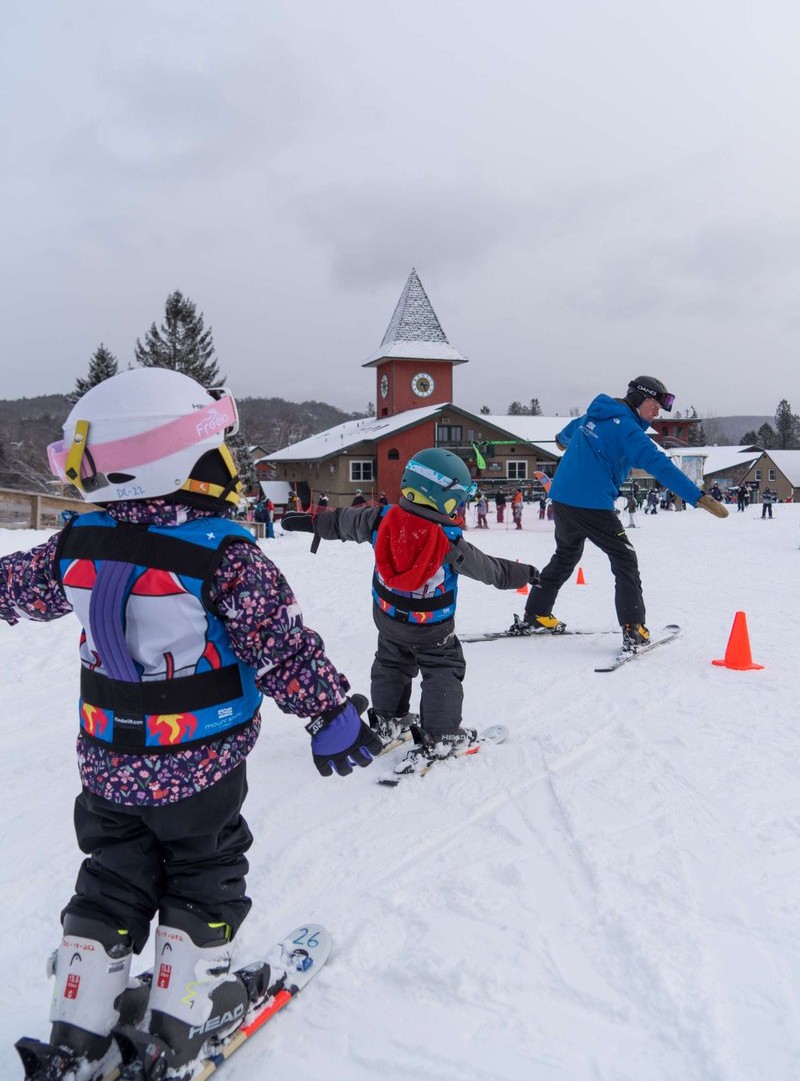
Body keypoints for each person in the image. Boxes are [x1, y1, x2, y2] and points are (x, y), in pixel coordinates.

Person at [1, 368, 381, 1077]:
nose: (226, 469)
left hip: (108, 765)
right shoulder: (226, 558)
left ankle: (78, 1025)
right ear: (177, 464)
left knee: (112, 877)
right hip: (199, 768)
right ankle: (186, 1013)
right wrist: (331, 715)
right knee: (204, 875)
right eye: (216, 455)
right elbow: (282, 648)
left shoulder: (76, 546)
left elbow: (11, 588)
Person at [282, 448, 538, 771]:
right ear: (444, 500)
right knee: (443, 668)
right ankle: (440, 735)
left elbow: (344, 522)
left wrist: (312, 523)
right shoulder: (448, 542)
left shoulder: (380, 518)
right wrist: (526, 573)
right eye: (458, 501)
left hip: (388, 619)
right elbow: (492, 571)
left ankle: (389, 719)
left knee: (391, 662)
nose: (460, 509)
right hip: (432, 629)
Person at [512, 376, 727, 651]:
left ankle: (537, 614)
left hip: (563, 498)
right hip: (591, 502)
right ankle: (633, 629)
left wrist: (561, 440)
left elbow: (568, 433)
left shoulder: (596, 412)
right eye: (654, 404)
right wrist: (696, 496)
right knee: (625, 560)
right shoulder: (628, 430)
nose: (657, 412)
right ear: (639, 400)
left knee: (565, 556)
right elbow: (659, 465)